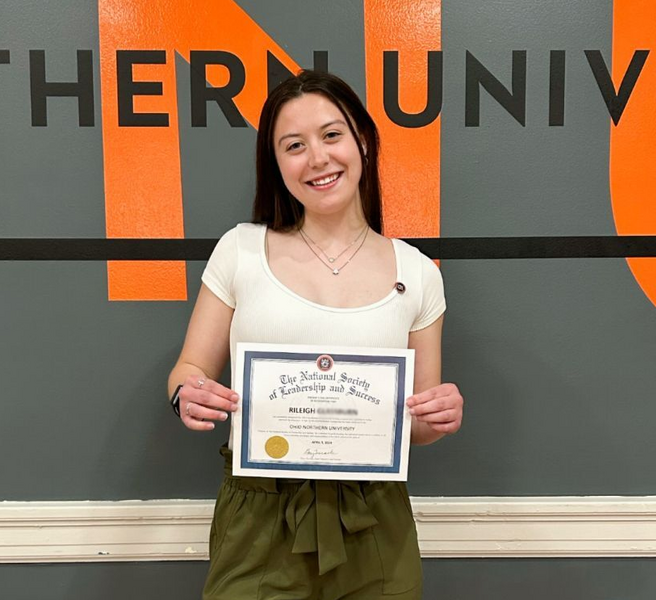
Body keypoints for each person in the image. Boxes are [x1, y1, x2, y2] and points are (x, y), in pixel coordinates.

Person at [167, 70, 464, 600]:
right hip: (258, 513)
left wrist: (438, 416)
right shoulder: (240, 250)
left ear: (363, 141)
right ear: (276, 164)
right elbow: (189, 370)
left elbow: (418, 426)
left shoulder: (418, 273)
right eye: (294, 145)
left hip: (374, 516)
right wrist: (186, 395)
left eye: (332, 135)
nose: (318, 158)